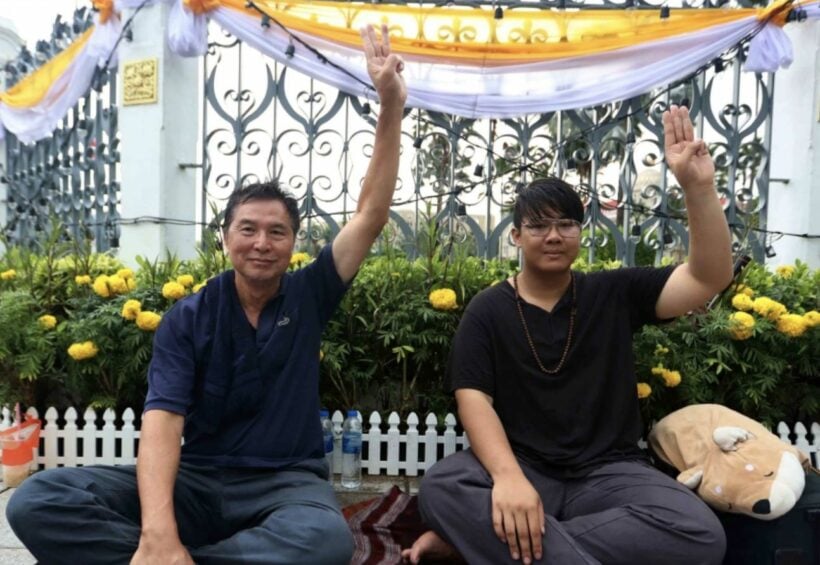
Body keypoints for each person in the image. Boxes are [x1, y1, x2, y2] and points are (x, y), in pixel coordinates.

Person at [6, 24, 406, 565]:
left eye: (277, 232)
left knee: (323, 541)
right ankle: (169, 553)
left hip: (286, 485)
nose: (262, 243)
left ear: (294, 243)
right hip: (196, 480)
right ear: (224, 237)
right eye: (248, 229)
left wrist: (389, 104)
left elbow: (370, 214)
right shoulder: (188, 318)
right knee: (38, 500)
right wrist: (158, 530)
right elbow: (163, 424)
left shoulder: (311, 294)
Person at [402, 106, 733, 565]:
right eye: (538, 225)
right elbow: (473, 400)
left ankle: (484, 542)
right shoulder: (488, 309)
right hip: (523, 469)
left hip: (609, 474)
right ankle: (513, 535)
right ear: (516, 236)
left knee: (699, 533)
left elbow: (708, 278)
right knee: (442, 486)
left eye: (566, 224)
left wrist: (698, 188)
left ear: (581, 232)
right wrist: (509, 479)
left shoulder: (614, 292)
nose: (553, 236)